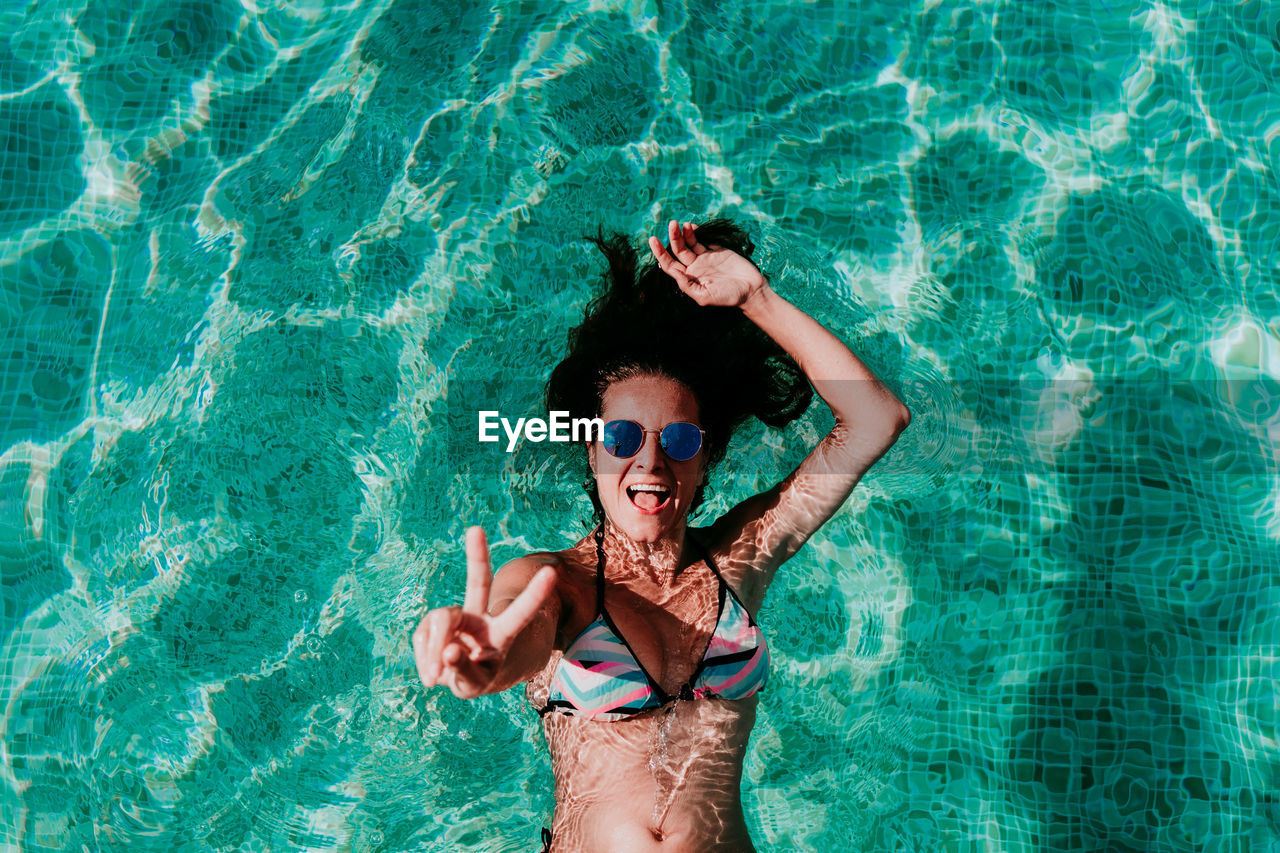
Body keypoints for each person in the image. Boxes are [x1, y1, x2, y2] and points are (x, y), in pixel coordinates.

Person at [413, 219, 911, 852]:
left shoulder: (739, 559)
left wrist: (758, 299)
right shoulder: (555, 584)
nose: (648, 465)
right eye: (620, 439)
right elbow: (512, 632)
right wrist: (480, 654)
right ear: (589, 448)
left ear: (704, 459)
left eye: (677, 441)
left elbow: (876, 418)